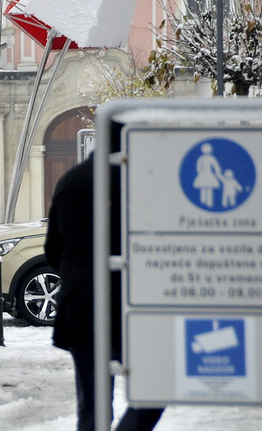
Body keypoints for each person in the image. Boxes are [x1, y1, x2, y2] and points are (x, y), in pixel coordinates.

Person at [45, 151, 164, 431]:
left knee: (93, 407)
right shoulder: (142, 178)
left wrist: (76, 274)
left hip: (81, 304)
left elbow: (53, 249)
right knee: (155, 388)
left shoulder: (70, 180)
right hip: (133, 303)